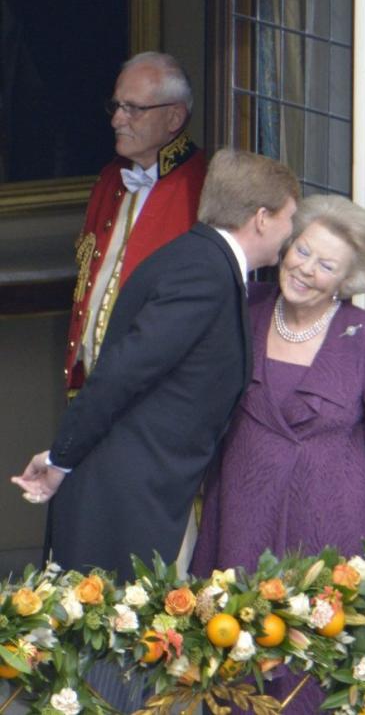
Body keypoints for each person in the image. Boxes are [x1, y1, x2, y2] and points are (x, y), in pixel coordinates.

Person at [13, 149, 300, 583]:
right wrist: (62, 457)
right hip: (123, 501)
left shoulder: (204, 261)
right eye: (289, 219)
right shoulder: (204, 270)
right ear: (261, 217)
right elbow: (126, 370)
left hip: (140, 493)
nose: (290, 234)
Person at [191, 194, 365, 712]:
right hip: (242, 520)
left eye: (326, 265)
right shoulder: (246, 308)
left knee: (319, 672)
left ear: (345, 281)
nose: (306, 269)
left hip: (331, 527)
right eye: (303, 252)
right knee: (237, 664)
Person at [65, 51, 207, 395]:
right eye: (116, 106)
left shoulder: (204, 185)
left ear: (174, 117)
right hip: (92, 388)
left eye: (133, 109)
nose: (117, 120)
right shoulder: (109, 179)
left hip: (158, 393)